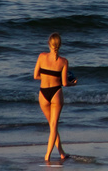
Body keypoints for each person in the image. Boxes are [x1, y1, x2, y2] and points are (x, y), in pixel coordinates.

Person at [35, 33, 70, 162]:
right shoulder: (63, 61)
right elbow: (65, 83)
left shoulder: (41, 57)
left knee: (52, 125)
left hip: (43, 93)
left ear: (49, 44)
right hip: (56, 93)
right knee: (54, 126)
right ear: (59, 45)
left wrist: (46, 77)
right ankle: (47, 156)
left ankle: (61, 152)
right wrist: (73, 83)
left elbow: (35, 76)